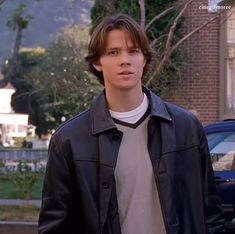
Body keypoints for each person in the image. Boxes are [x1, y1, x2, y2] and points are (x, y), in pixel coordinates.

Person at [38, 14, 224, 234]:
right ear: (97, 62)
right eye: (113, 52)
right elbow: (55, 226)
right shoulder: (70, 139)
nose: (124, 60)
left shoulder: (186, 128)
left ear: (144, 59)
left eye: (133, 51)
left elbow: (211, 214)